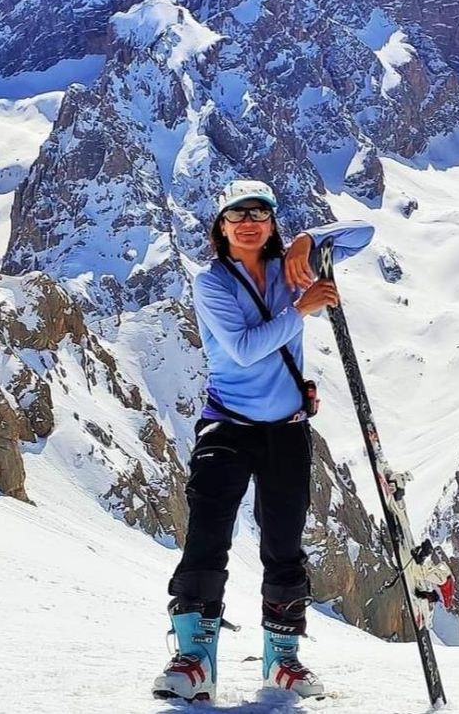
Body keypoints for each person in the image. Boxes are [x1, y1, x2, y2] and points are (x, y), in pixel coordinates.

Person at [153, 179, 374, 703]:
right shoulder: (212, 284)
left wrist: (309, 241)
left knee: (284, 544)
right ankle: (194, 659)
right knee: (207, 537)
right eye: (237, 215)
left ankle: (283, 660)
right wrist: (301, 310)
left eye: (260, 213)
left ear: (272, 222)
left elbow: (364, 232)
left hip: (287, 430)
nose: (248, 223)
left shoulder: (289, 269)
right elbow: (245, 349)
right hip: (228, 426)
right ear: (221, 226)